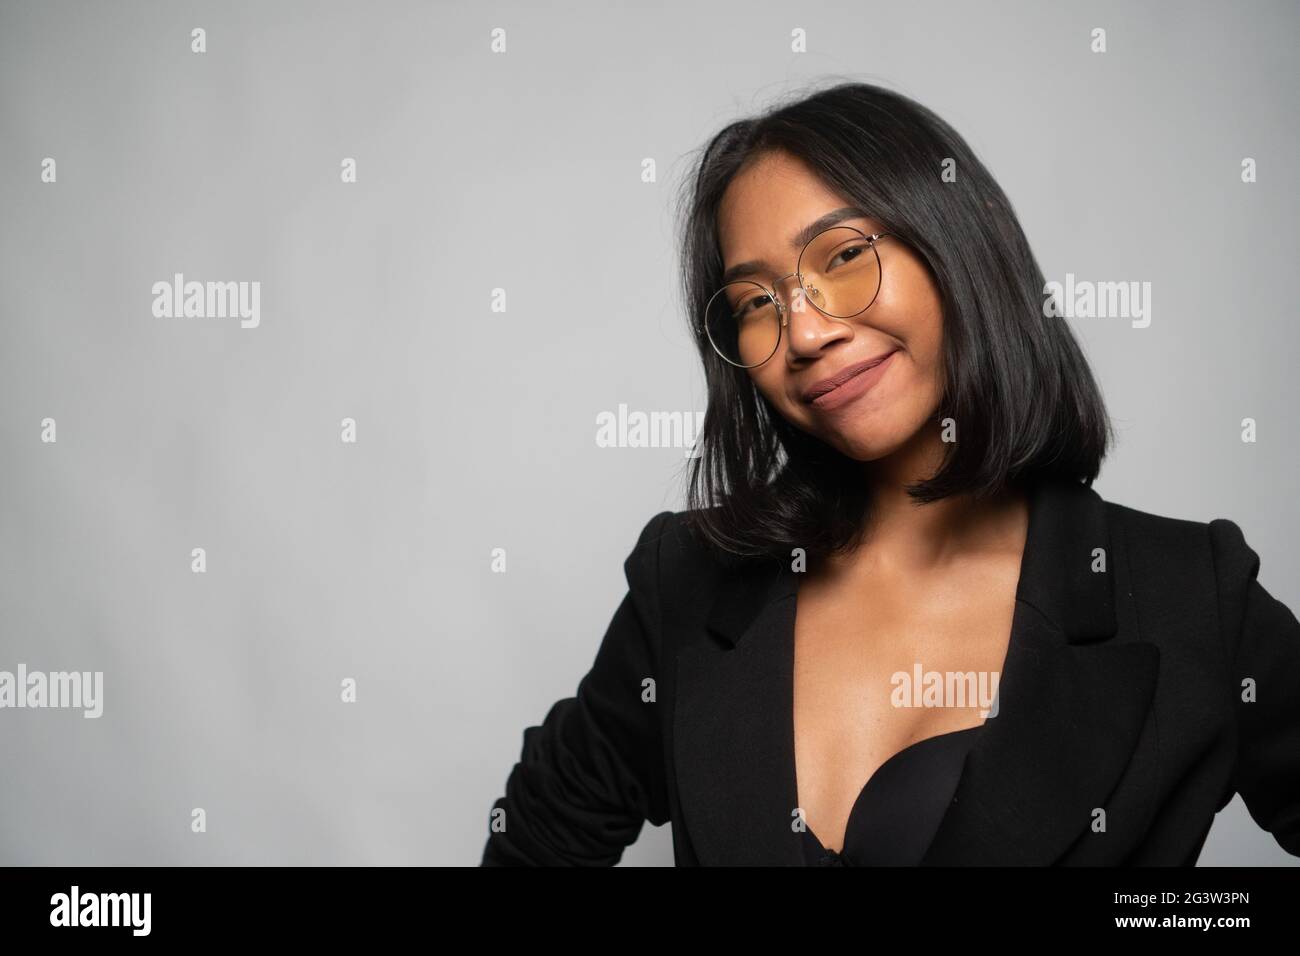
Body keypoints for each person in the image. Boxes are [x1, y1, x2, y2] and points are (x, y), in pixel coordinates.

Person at [481, 81, 1300, 866]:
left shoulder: (1192, 598)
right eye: (756, 301)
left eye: (841, 255)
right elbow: (538, 835)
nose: (802, 333)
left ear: (960, 242)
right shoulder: (689, 584)